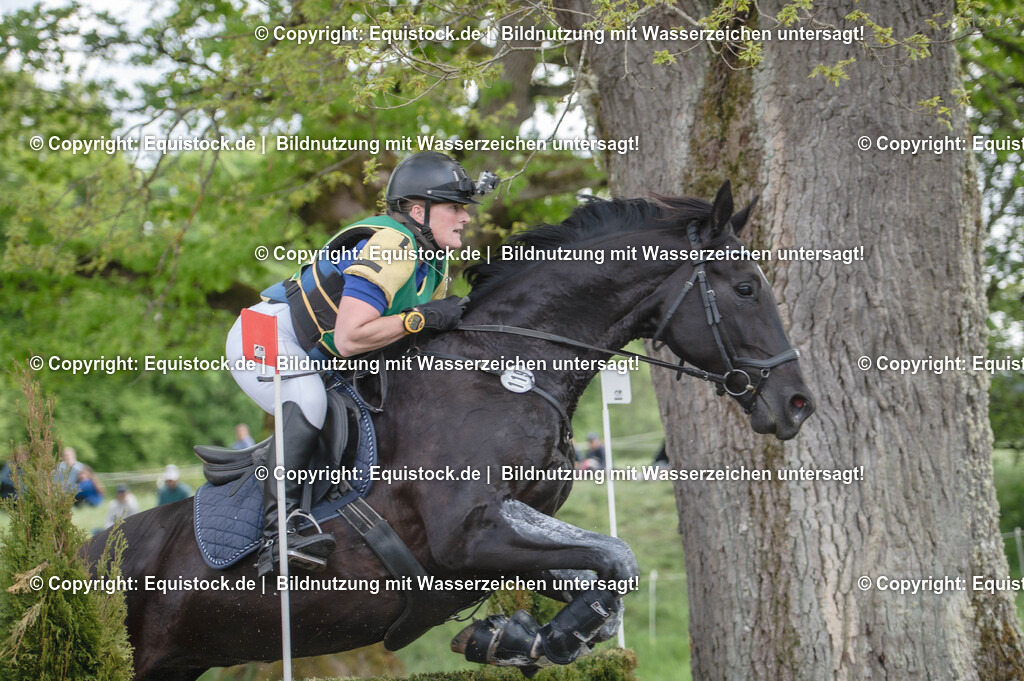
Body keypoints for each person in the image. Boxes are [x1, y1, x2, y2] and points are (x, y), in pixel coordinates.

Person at [225, 151, 498, 577]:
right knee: (307, 398)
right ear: (417, 210)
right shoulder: (393, 246)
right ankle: (280, 532)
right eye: (454, 207)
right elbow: (352, 337)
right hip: (263, 335)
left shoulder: (433, 260)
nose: (465, 218)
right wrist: (420, 318)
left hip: (313, 350)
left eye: (464, 208)